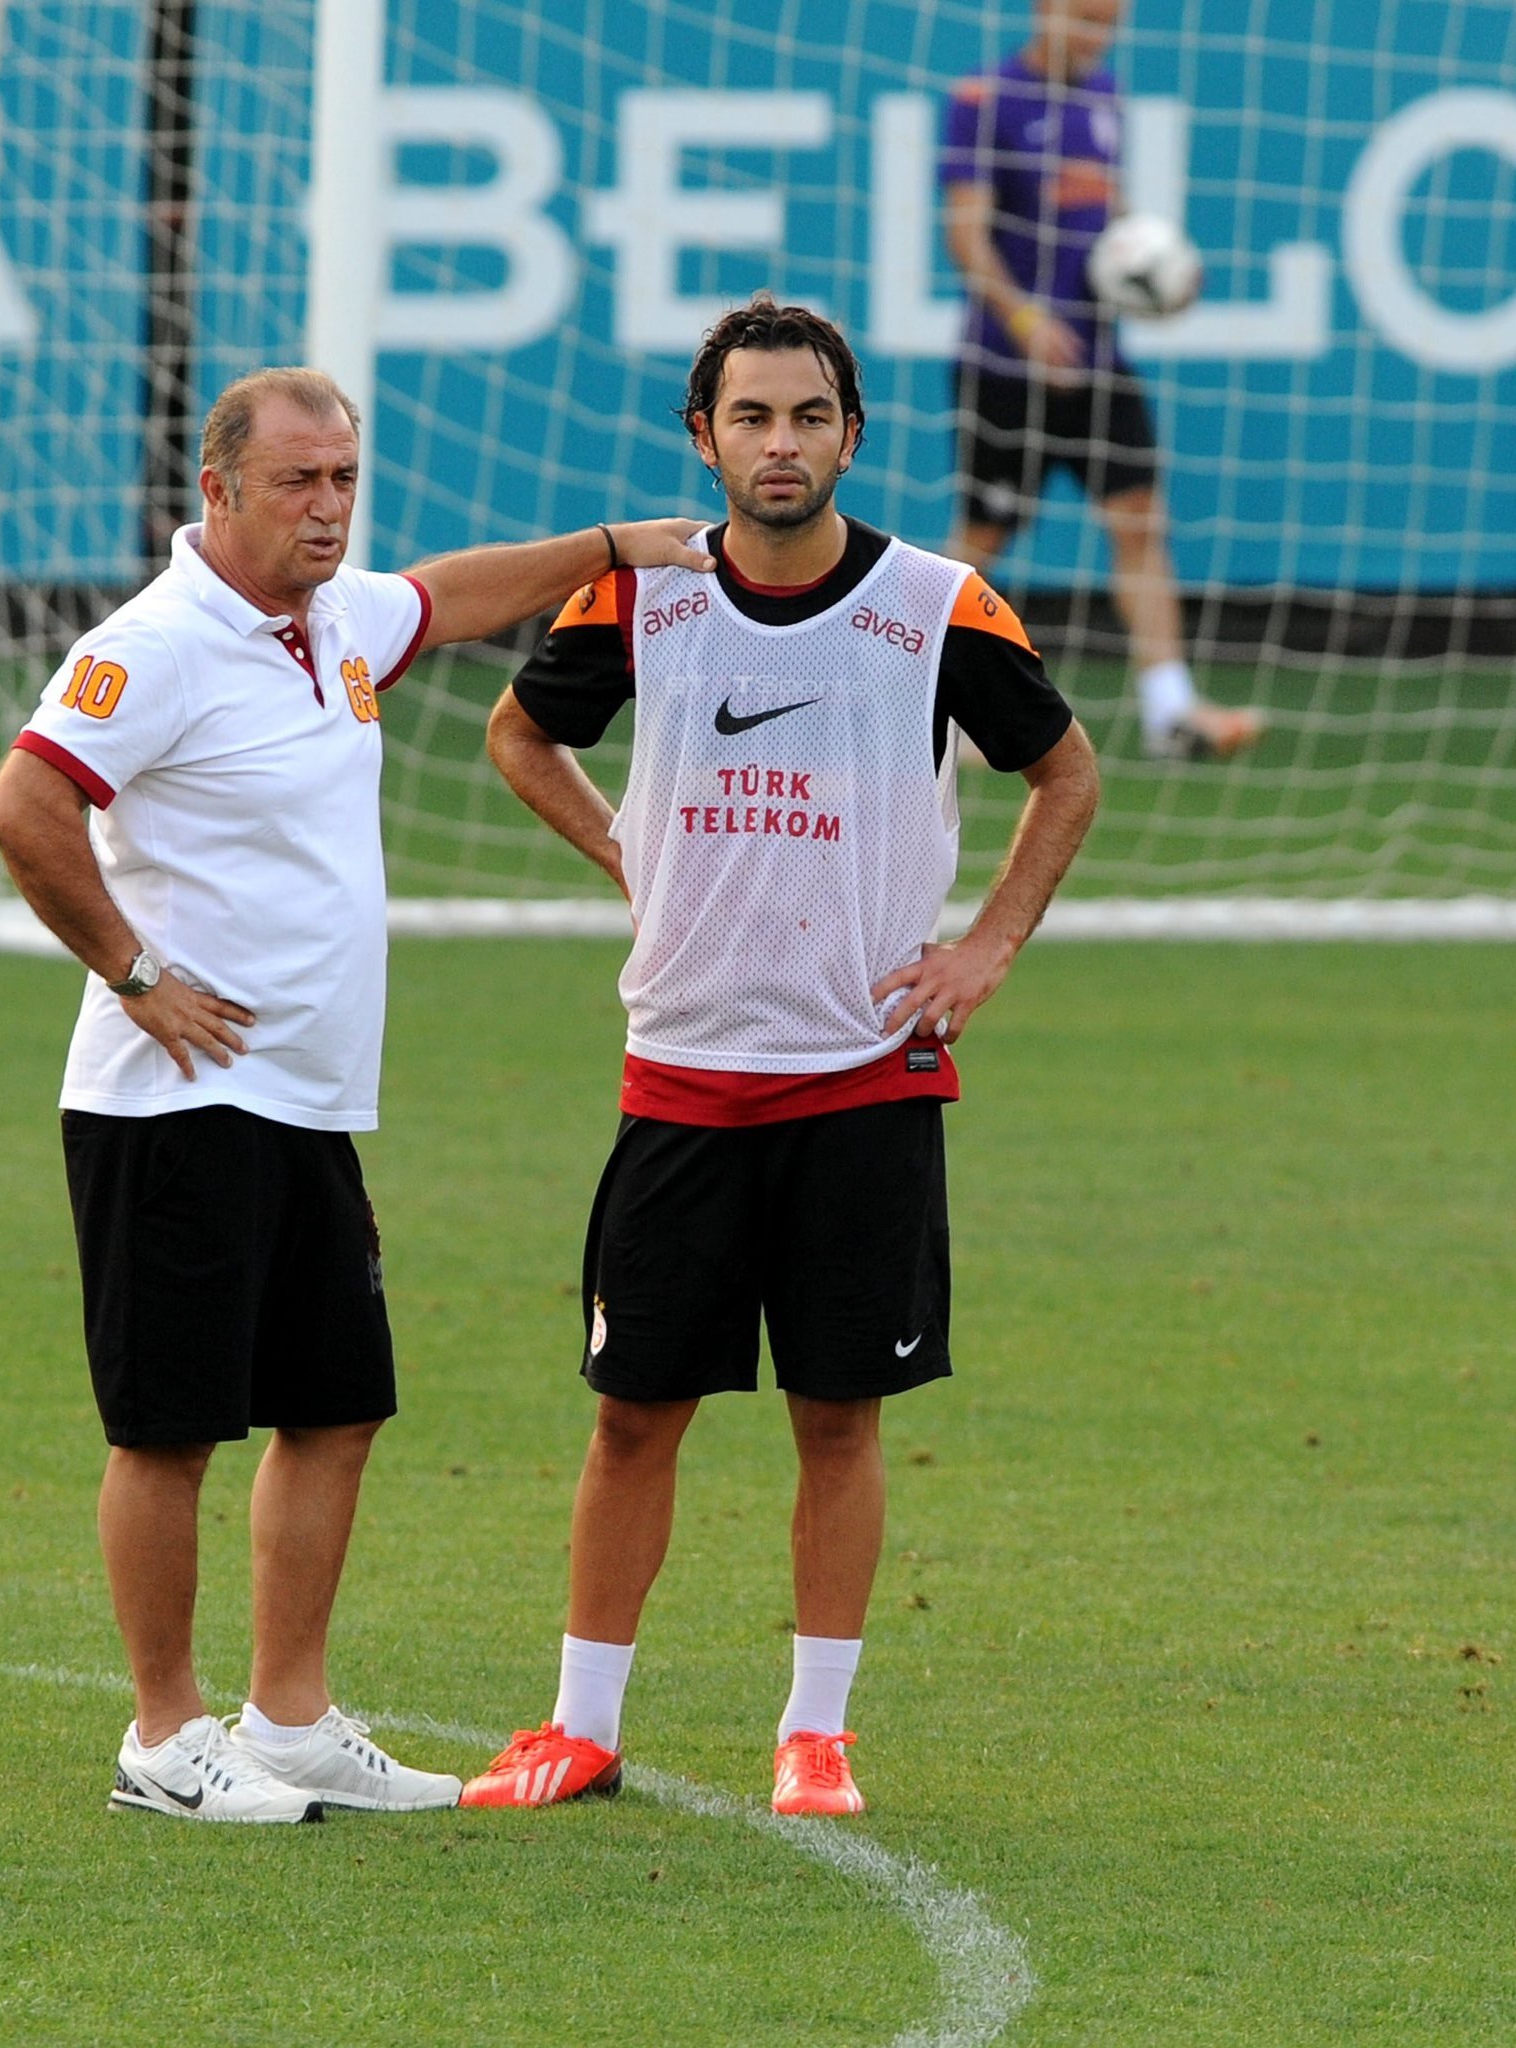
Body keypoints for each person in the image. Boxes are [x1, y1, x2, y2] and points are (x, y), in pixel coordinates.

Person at [0, 367, 710, 1824]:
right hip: (173, 1100)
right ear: (217, 490)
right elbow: (23, 804)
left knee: (333, 1408)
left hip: (310, 1100)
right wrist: (134, 971)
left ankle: (292, 1716)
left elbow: (446, 596)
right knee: (170, 1428)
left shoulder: (336, 622)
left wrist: (609, 549)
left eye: (342, 481)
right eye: (296, 483)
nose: (326, 510)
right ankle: (162, 1736)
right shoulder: (153, 643)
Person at [460, 297, 1099, 1818]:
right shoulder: (642, 596)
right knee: (631, 1413)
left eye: (808, 416)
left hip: (860, 1078)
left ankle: (815, 1733)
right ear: (703, 437)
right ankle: (581, 1724)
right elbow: (516, 734)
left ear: (850, 436)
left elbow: (1065, 771)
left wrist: (985, 949)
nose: (779, 444)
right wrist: (624, 851)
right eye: (749, 417)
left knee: (836, 1413)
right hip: (680, 1072)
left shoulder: (937, 605)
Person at [939, 0, 1263, 761]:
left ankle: (1170, 713)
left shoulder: (1103, 97)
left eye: (1108, 24)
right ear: (1044, 10)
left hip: (1096, 355)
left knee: (1139, 518)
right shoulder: (985, 100)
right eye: (1084, 18)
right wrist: (1024, 319)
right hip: (1007, 362)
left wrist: (1158, 270)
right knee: (983, 538)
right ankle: (932, 707)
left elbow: (1108, 218)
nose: (1095, 37)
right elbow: (965, 232)